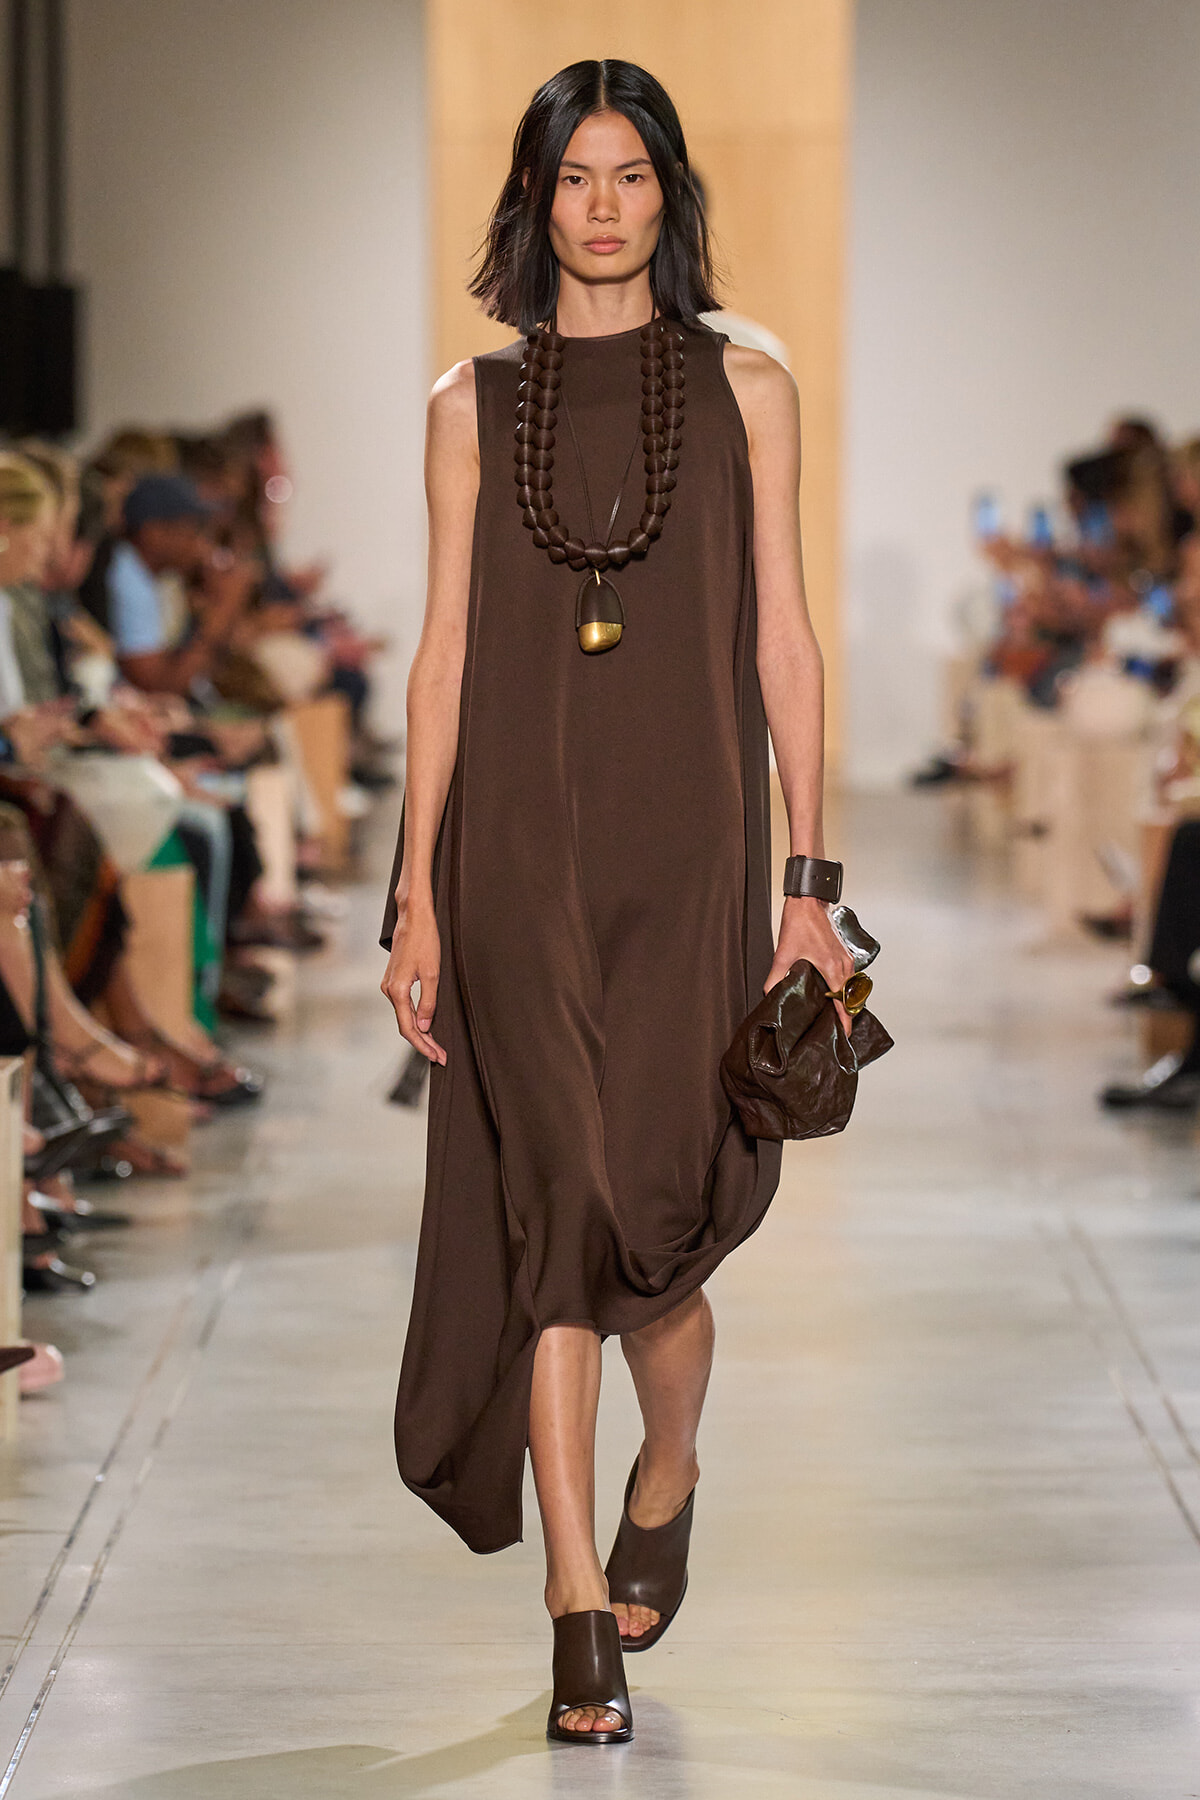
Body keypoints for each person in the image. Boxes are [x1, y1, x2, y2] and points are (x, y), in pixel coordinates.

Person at [379, 59, 853, 1747]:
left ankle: (673, 1459)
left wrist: (812, 880)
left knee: (661, 1219)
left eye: (630, 174)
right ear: (536, 195)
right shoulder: (464, 404)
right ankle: (580, 1603)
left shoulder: (746, 388)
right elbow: (439, 661)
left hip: (692, 842)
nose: (602, 204)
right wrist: (417, 895)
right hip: (511, 846)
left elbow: (785, 636)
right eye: (574, 176)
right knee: (560, 1218)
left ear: (667, 193)